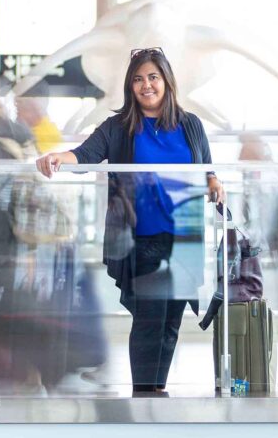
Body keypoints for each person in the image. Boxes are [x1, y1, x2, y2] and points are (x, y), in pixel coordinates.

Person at [36, 47, 224, 396]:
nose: (146, 85)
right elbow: (85, 155)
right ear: (130, 86)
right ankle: (144, 396)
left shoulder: (190, 124)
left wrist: (214, 181)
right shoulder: (119, 127)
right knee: (149, 321)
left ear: (166, 81)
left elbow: (206, 166)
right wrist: (58, 157)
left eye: (153, 77)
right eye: (138, 79)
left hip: (186, 237)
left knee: (170, 323)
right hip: (144, 239)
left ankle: (157, 392)